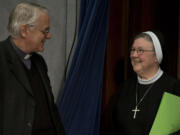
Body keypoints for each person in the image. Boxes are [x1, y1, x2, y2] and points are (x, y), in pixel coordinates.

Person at [0, 2, 65, 135]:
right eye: (45, 31)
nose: (49, 36)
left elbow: (51, 110)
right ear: (24, 30)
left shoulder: (39, 62)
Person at [110, 30, 180, 135]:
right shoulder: (124, 89)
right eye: (132, 50)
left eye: (140, 50)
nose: (133, 55)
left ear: (156, 56)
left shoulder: (174, 88)